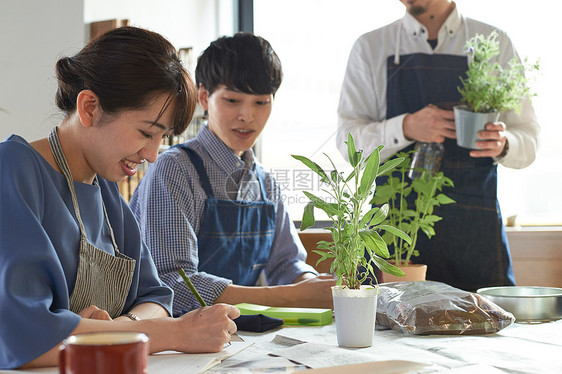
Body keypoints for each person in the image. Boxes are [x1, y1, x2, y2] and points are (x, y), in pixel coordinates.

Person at [0, 26, 240, 370]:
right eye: (146, 132)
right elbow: (24, 334)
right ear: (90, 107)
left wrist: (119, 329)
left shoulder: (107, 189)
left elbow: (156, 297)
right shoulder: (12, 170)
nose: (153, 154)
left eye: (163, 137)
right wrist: (173, 335)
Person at [337, 0, 539, 291]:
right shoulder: (371, 46)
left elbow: (530, 140)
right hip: (396, 229)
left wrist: (505, 143)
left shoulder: (496, 43)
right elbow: (347, 142)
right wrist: (405, 126)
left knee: (485, 331)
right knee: (384, 330)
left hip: (475, 228)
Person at [130, 32, 336, 316]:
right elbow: (173, 284)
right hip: (178, 343)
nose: (247, 116)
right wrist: (288, 296)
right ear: (204, 97)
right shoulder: (174, 169)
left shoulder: (266, 183)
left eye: (260, 103)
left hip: (242, 337)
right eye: (232, 101)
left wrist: (315, 288)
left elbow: (286, 265)